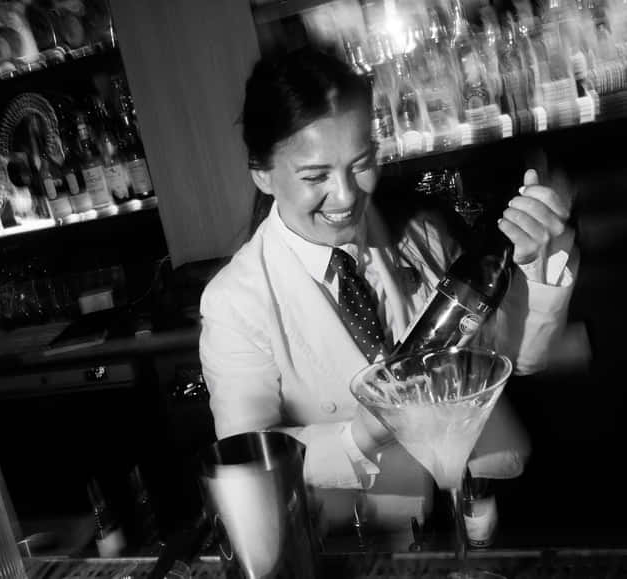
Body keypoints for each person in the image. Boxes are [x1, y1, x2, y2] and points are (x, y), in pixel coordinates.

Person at [199, 46, 577, 538]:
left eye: (362, 163)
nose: (347, 194)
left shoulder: (416, 232)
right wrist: (362, 435)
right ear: (263, 174)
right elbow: (251, 461)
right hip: (370, 535)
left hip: (481, 503)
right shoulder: (235, 299)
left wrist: (537, 263)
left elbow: (515, 358)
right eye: (315, 176)